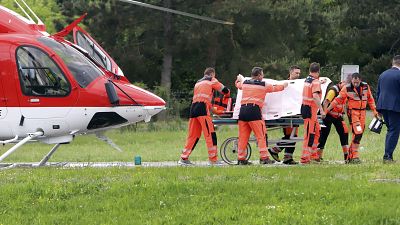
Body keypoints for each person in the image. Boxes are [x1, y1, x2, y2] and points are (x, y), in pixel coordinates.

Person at [235, 67, 288, 165]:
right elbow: (276, 88)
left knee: (243, 137)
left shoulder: (245, 83)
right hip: (254, 112)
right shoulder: (263, 85)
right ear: (259, 75)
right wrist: (284, 85)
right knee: (261, 136)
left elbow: (238, 85)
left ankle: (241, 159)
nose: (263, 76)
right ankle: (264, 158)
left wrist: (238, 79)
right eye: (262, 74)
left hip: (242, 112)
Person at [179, 67, 230, 166]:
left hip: (193, 109)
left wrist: (211, 108)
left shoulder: (198, 83)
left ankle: (183, 158)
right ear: (212, 74)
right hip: (202, 110)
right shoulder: (211, 80)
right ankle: (213, 160)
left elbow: (202, 98)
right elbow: (224, 90)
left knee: (193, 135)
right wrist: (227, 95)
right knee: (210, 135)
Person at [327, 72, 378, 163]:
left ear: (360, 80)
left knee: (359, 133)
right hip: (353, 113)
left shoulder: (366, 86)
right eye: (353, 82)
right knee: (357, 132)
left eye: (357, 82)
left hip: (362, 113)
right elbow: (337, 100)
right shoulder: (346, 88)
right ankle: (354, 156)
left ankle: (350, 156)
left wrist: (374, 110)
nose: (355, 84)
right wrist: (327, 110)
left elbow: (370, 99)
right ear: (352, 80)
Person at [268, 65, 301, 165]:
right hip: (287, 114)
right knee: (291, 135)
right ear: (291, 72)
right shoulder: (285, 84)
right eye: (296, 73)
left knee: (292, 135)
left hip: (295, 114)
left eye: (299, 73)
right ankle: (275, 150)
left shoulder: (298, 85)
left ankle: (288, 157)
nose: (298, 75)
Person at [300, 62, 326, 164]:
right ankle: (305, 158)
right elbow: (315, 96)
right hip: (311, 110)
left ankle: (313, 154)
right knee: (309, 134)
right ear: (318, 71)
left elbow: (313, 85)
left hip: (306, 109)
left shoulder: (308, 79)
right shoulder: (315, 82)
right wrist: (322, 110)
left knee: (317, 131)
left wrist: (320, 82)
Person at [318, 81, 349, 161]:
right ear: (341, 82)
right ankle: (318, 156)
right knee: (324, 135)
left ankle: (347, 156)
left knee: (344, 133)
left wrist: (343, 113)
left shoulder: (345, 90)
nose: (346, 87)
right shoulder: (333, 90)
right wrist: (324, 113)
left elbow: (344, 104)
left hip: (338, 115)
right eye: (345, 85)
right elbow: (325, 102)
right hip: (328, 115)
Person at [377, 55, 400, 163]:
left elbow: (379, 92)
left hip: (383, 105)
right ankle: (387, 156)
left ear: (393, 63)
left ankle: (387, 154)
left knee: (390, 130)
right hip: (395, 106)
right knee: (394, 131)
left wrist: (379, 110)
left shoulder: (383, 74)